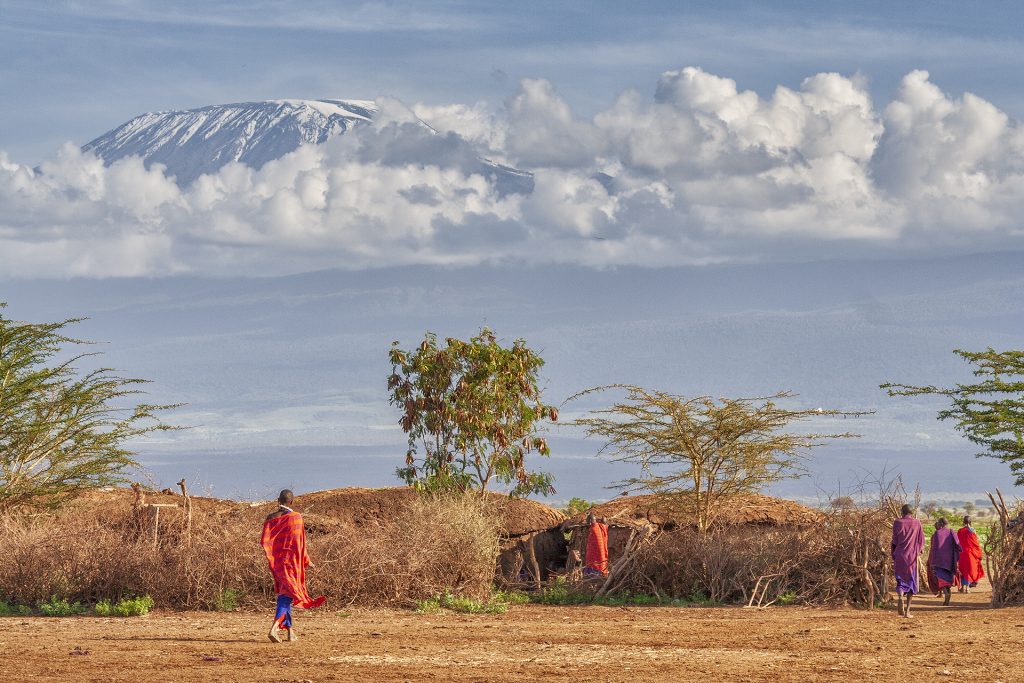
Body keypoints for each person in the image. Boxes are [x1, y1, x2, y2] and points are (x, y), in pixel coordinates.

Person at [260, 489, 325, 643]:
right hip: (292, 563)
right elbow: (299, 543)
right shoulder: (296, 518)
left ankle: (290, 632)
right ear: (292, 502)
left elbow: (265, 541)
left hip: (278, 563)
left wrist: (274, 555)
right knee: (286, 595)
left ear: (278, 500)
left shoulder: (270, 518)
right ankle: (274, 628)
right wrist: (307, 561)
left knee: (286, 593)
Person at [891, 504, 925, 618]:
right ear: (912, 512)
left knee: (900, 581)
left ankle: (900, 596)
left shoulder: (897, 522)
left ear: (902, 512)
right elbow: (921, 541)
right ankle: (907, 612)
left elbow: (894, 541)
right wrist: (919, 551)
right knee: (911, 583)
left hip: (900, 555)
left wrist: (894, 554)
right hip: (912, 558)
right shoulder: (917, 523)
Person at [927, 517, 962, 606]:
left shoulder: (937, 533)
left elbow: (934, 548)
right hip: (950, 561)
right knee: (948, 579)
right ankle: (947, 594)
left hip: (939, 561)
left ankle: (946, 593)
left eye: (938, 523)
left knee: (942, 579)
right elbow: (958, 546)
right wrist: (955, 557)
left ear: (941, 524)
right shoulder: (951, 531)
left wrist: (932, 562)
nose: (937, 524)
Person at [956, 515, 984, 592]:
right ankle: (968, 588)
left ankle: (962, 587)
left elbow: (958, 543)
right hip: (971, 553)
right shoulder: (972, 530)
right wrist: (979, 553)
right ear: (970, 522)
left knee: (963, 569)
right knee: (970, 569)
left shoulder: (960, 531)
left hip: (962, 553)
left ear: (963, 522)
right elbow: (976, 543)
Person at [584, 513, 609, 577]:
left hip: (598, 552)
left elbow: (605, 524)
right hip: (593, 552)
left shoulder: (597, 528)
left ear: (594, 520)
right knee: (593, 562)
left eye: (590, 521)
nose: (589, 523)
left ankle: (596, 575)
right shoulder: (598, 527)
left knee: (598, 562)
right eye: (588, 521)